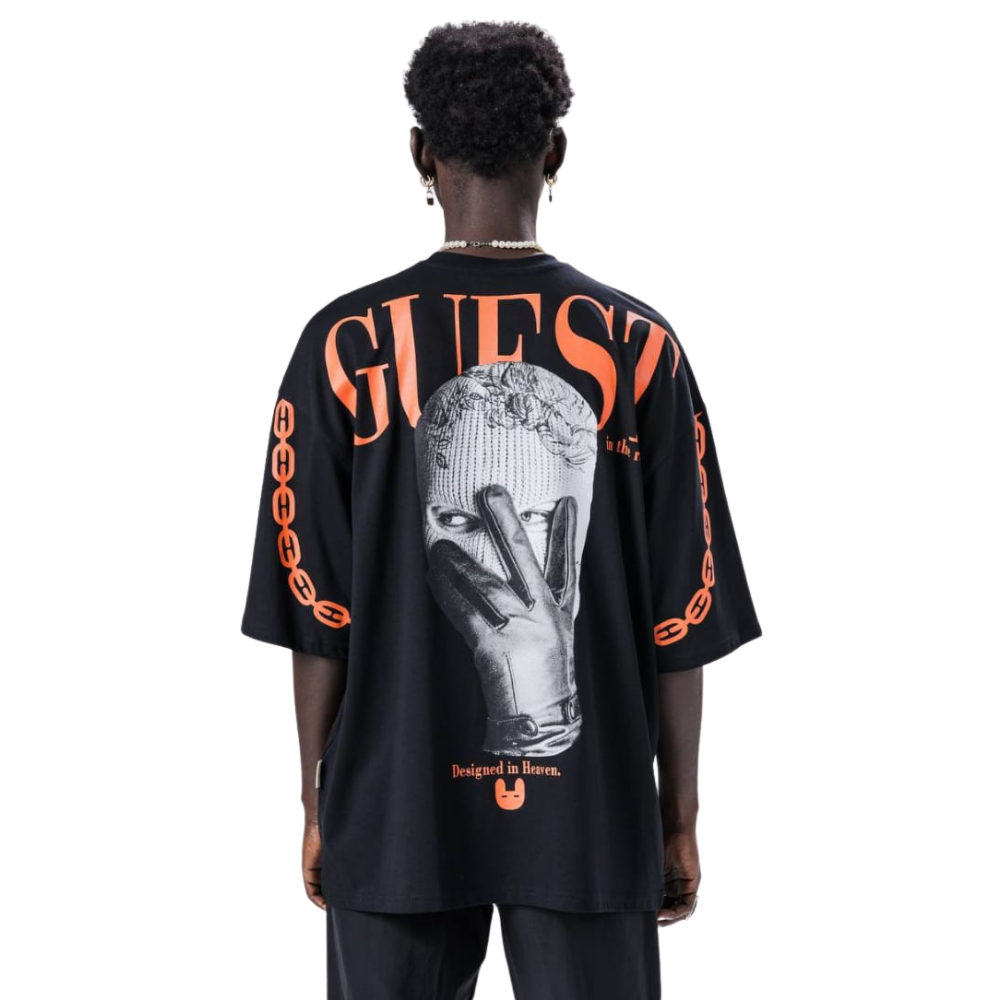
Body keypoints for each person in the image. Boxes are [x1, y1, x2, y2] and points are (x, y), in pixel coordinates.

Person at [240, 18, 762, 1000]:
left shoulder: (341, 343)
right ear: (556, 151)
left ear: (419, 152)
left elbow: (318, 614)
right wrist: (678, 815)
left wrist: (318, 800)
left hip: (392, 803)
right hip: (592, 810)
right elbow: (679, 618)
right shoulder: (641, 344)